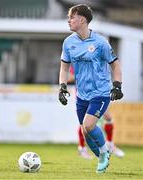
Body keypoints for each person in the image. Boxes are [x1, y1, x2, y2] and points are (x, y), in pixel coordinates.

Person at [58, 4, 123, 174]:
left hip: (101, 92)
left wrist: (117, 85)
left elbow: (115, 65)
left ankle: (103, 153)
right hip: (82, 94)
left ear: (83, 20)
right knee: (85, 131)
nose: (69, 20)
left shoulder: (101, 42)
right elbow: (64, 68)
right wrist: (62, 86)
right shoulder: (68, 42)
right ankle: (103, 154)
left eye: (72, 17)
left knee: (89, 125)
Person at [68, 65, 125, 158]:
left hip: (98, 94)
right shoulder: (76, 59)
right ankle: (82, 148)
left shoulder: (94, 57)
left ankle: (110, 144)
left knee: (108, 117)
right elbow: (70, 76)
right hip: (84, 95)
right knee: (84, 123)